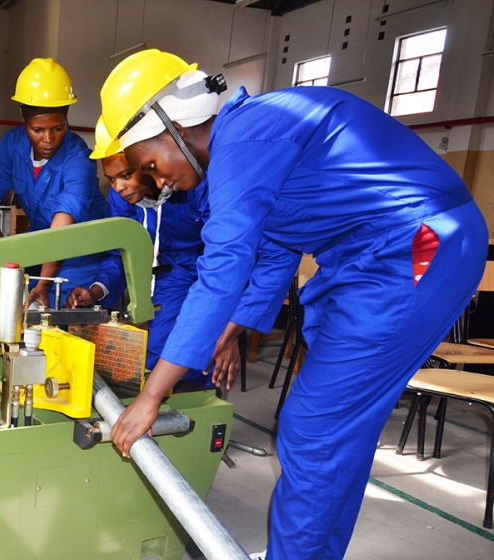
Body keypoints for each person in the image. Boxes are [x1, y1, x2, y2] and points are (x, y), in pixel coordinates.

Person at [100, 49, 487, 560]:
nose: (157, 180)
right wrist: (229, 331)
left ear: (176, 124)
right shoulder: (251, 136)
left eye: (150, 164)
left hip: (417, 245)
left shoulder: (241, 141)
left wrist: (152, 395)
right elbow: (277, 251)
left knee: (313, 429)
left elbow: (223, 269)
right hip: (381, 254)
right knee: (335, 433)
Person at [65, 118, 239, 388]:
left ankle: (195, 400)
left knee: (192, 353)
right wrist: (95, 291)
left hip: (206, 272)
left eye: (125, 175)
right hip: (165, 278)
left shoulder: (194, 185)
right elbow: (119, 253)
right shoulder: (121, 198)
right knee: (150, 356)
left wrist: (230, 327)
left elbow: (230, 256)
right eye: (111, 179)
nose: (118, 187)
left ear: (144, 162)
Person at [0, 58, 109, 307]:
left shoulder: (79, 159)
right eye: (37, 130)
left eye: (58, 128)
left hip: (80, 257)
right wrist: (0, 250)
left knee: (62, 314)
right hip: (40, 249)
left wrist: (45, 284)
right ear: (24, 121)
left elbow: (62, 227)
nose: (48, 139)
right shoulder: (12, 144)